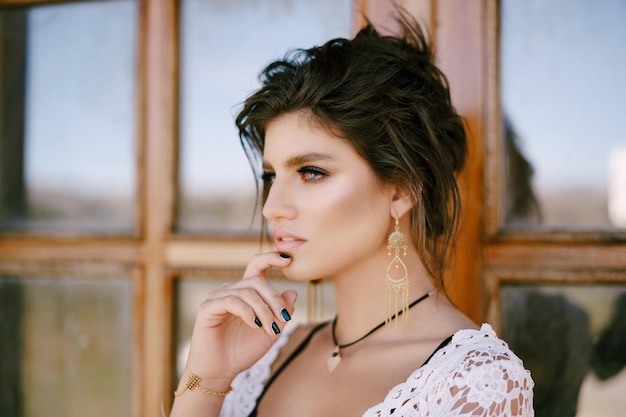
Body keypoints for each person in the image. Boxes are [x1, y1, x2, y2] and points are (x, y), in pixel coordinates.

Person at [170, 12, 534, 417]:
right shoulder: (265, 358)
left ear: (401, 190)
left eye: (311, 172)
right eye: (271, 175)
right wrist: (206, 381)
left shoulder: (473, 383)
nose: (272, 206)